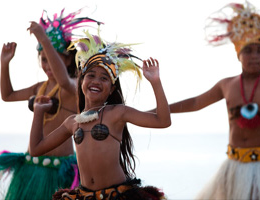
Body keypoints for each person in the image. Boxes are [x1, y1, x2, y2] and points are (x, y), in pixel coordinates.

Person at [168, 2, 260, 200]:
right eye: (248, 50)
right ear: (238, 54)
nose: (254, 56)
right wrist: (159, 110)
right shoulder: (226, 85)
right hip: (235, 164)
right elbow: (195, 103)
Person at [28, 29, 171, 200]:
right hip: (84, 195)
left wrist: (155, 82)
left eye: (104, 78)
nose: (96, 81)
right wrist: (38, 112)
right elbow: (36, 149)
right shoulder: (72, 122)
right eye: (91, 75)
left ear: (111, 89)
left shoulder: (117, 113)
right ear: (82, 81)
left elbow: (163, 121)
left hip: (118, 195)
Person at [0, 8, 101, 200]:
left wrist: (44, 40)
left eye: (53, 59)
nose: (47, 65)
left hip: (59, 171)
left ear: (68, 59)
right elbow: (7, 95)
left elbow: (63, 80)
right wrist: (4, 64)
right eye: (43, 60)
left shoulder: (73, 87)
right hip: (31, 167)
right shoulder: (39, 88)